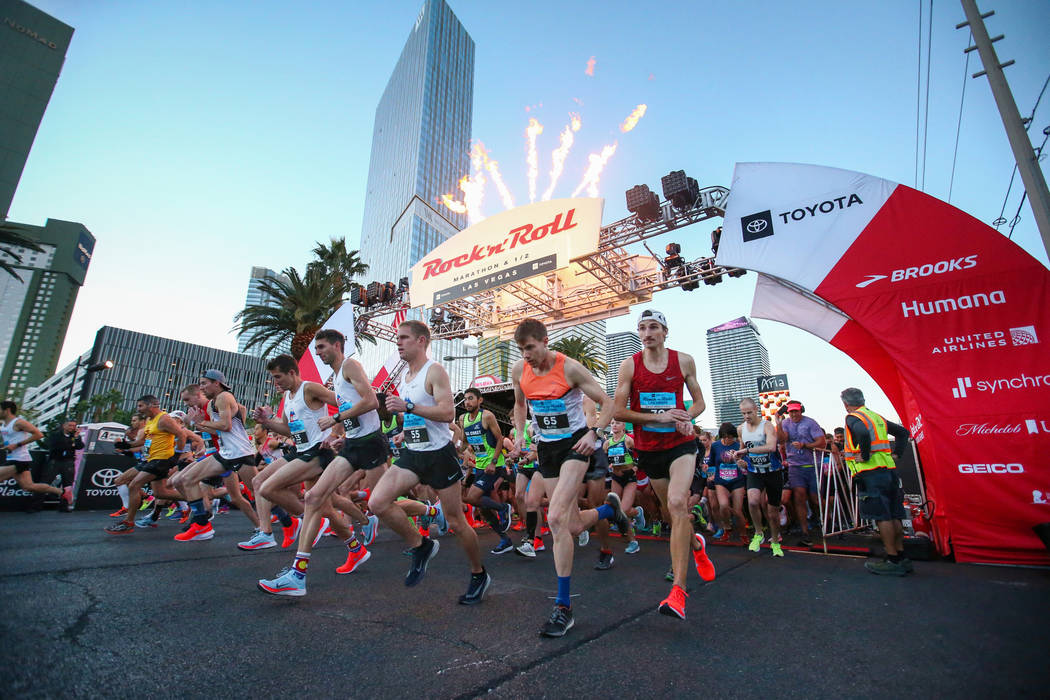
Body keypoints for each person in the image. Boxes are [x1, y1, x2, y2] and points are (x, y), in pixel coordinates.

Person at [511, 318, 630, 637]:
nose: (527, 356)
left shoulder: (571, 368)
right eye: (522, 350)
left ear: (545, 341)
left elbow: (608, 403)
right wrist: (522, 434)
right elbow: (519, 404)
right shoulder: (518, 371)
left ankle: (563, 606)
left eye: (531, 348)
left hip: (577, 445)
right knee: (573, 525)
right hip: (547, 449)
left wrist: (595, 432)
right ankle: (609, 511)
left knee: (555, 517)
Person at [367, 320, 489, 605]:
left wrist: (408, 407)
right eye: (397, 338)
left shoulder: (434, 370)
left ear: (421, 341)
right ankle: (420, 545)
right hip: (413, 452)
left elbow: (447, 413)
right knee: (377, 502)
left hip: (439, 455)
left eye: (404, 338)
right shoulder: (405, 377)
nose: (398, 342)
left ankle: (478, 573)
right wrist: (405, 433)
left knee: (457, 522)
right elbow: (416, 417)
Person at [612, 309, 715, 620]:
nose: (647, 332)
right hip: (648, 449)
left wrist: (686, 417)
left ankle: (678, 593)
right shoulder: (629, 364)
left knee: (677, 502)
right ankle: (696, 545)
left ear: (665, 331)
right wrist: (658, 417)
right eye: (642, 327)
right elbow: (619, 411)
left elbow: (699, 402)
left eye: (653, 327)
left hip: (681, 446)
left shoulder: (683, 360)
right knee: (674, 515)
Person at [252, 354, 361, 596]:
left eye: (278, 377)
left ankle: (273, 531)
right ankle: (356, 549)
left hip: (318, 451)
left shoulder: (309, 388)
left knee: (266, 487)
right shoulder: (287, 397)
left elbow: (345, 403)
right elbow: (287, 429)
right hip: (300, 450)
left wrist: (335, 434)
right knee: (325, 507)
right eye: (273, 378)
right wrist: (267, 422)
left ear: (292, 372)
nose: (275, 382)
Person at [170, 373, 260, 541]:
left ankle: (204, 517)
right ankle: (201, 519)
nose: (186, 405)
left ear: (198, 395)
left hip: (229, 454)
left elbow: (236, 413)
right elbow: (213, 431)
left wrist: (237, 429)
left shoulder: (216, 401)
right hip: (218, 455)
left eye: (188, 400)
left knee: (247, 494)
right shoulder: (207, 406)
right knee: (181, 481)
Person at [104, 396, 204, 535]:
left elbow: (181, 434)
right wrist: (125, 445)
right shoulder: (150, 421)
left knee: (134, 485)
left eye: (140, 406)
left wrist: (176, 455)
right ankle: (199, 500)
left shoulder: (164, 419)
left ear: (151, 405)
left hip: (162, 459)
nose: (138, 409)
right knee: (160, 493)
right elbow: (142, 441)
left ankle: (128, 522)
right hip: (150, 460)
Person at [840, 387, 913, 576]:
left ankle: (892, 559)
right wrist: (897, 453)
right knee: (895, 515)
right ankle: (901, 556)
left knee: (883, 517)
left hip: (871, 473)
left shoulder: (853, 417)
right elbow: (903, 433)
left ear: (846, 404)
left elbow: (862, 434)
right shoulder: (876, 417)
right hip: (888, 471)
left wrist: (864, 456)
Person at [459, 388, 513, 553]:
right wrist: (462, 450)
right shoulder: (463, 419)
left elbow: (500, 439)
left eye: (471, 399)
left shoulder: (487, 416)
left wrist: (494, 462)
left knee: (472, 497)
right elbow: (465, 442)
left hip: (494, 466)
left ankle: (504, 508)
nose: (467, 402)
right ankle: (505, 540)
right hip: (481, 466)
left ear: (480, 400)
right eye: (465, 399)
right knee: (483, 509)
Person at [736, 397, 785, 557]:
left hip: (773, 472)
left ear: (756, 409)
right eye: (743, 413)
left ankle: (776, 541)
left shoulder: (767, 425)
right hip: (754, 471)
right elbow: (742, 449)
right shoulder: (741, 429)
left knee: (772, 512)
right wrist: (738, 459)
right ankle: (758, 533)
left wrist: (747, 452)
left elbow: (771, 447)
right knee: (752, 500)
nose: (747, 416)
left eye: (749, 412)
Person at [777, 400, 826, 546]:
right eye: (791, 411)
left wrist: (805, 445)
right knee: (799, 498)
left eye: (796, 411)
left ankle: (826, 522)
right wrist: (778, 423)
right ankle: (805, 532)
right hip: (795, 467)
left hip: (813, 465)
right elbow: (781, 440)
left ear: (801, 411)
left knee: (815, 499)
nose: (793, 414)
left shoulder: (810, 423)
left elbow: (822, 443)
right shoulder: (785, 423)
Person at [0, 401, 63, 505]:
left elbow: (39, 434)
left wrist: (17, 445)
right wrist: (3, 446)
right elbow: (9, 441)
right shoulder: (3, 425)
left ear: (7, 410)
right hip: (12, 458)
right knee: (28, 486)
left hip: (19, 459)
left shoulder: (18, 422)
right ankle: (61, 492)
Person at [606, 419, 644, 554]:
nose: (614, 425)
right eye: (612, 423)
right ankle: (633, 542)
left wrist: (635, 467)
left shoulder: (628, 441)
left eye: (617, 423)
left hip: (629, 478)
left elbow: (641, 453)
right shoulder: (607, 443)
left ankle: (637, 512)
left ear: (623, 426)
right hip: (616, 478)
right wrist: (609, 466)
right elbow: (606, 460)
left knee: (623, 510)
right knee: (617, 511)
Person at [709, 423, 748, 544]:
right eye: (725, 437)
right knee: (724, 505)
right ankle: (727, 528)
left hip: (737, 480)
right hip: (721, 481)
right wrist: (710, 475)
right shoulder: (715, 446)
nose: (727, 440)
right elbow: (711, 463)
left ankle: (743, 534)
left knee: (737, 510)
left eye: (730, 437)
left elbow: (746, 464)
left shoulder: (738, 446)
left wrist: (740, 462)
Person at [46, 418, 82, 511]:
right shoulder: (56, 435)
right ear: (64, 426)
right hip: (55, 460)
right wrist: (71, 444)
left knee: (68, 484)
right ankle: (35, 504)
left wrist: (76, 438)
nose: (72, 428)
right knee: (46, 481)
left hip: (68, 461)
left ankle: (64, 506)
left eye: (74, 426)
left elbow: (80, 446)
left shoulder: (74, 436)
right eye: (70, 425)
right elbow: (58, 446)